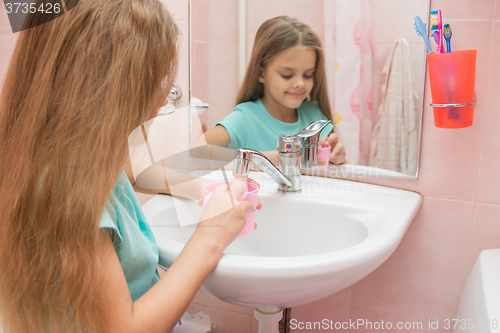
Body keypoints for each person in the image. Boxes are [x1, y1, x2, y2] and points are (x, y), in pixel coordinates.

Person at [0, 1, 257, 332]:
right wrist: (212, 234)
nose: (165, 98)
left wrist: (200, 190)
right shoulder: (63, 187)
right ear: (107, 87)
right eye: (154, 80)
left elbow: (135, 176)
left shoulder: (68, 151)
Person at [194, 16, 346, 165]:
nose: (299, 83)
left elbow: (328, 165)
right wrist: (275, 157)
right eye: (287, 75)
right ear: (261, 73)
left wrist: (336, 157)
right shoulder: (245, 119)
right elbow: (195, 151)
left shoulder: (314, 117)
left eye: (307, 75)